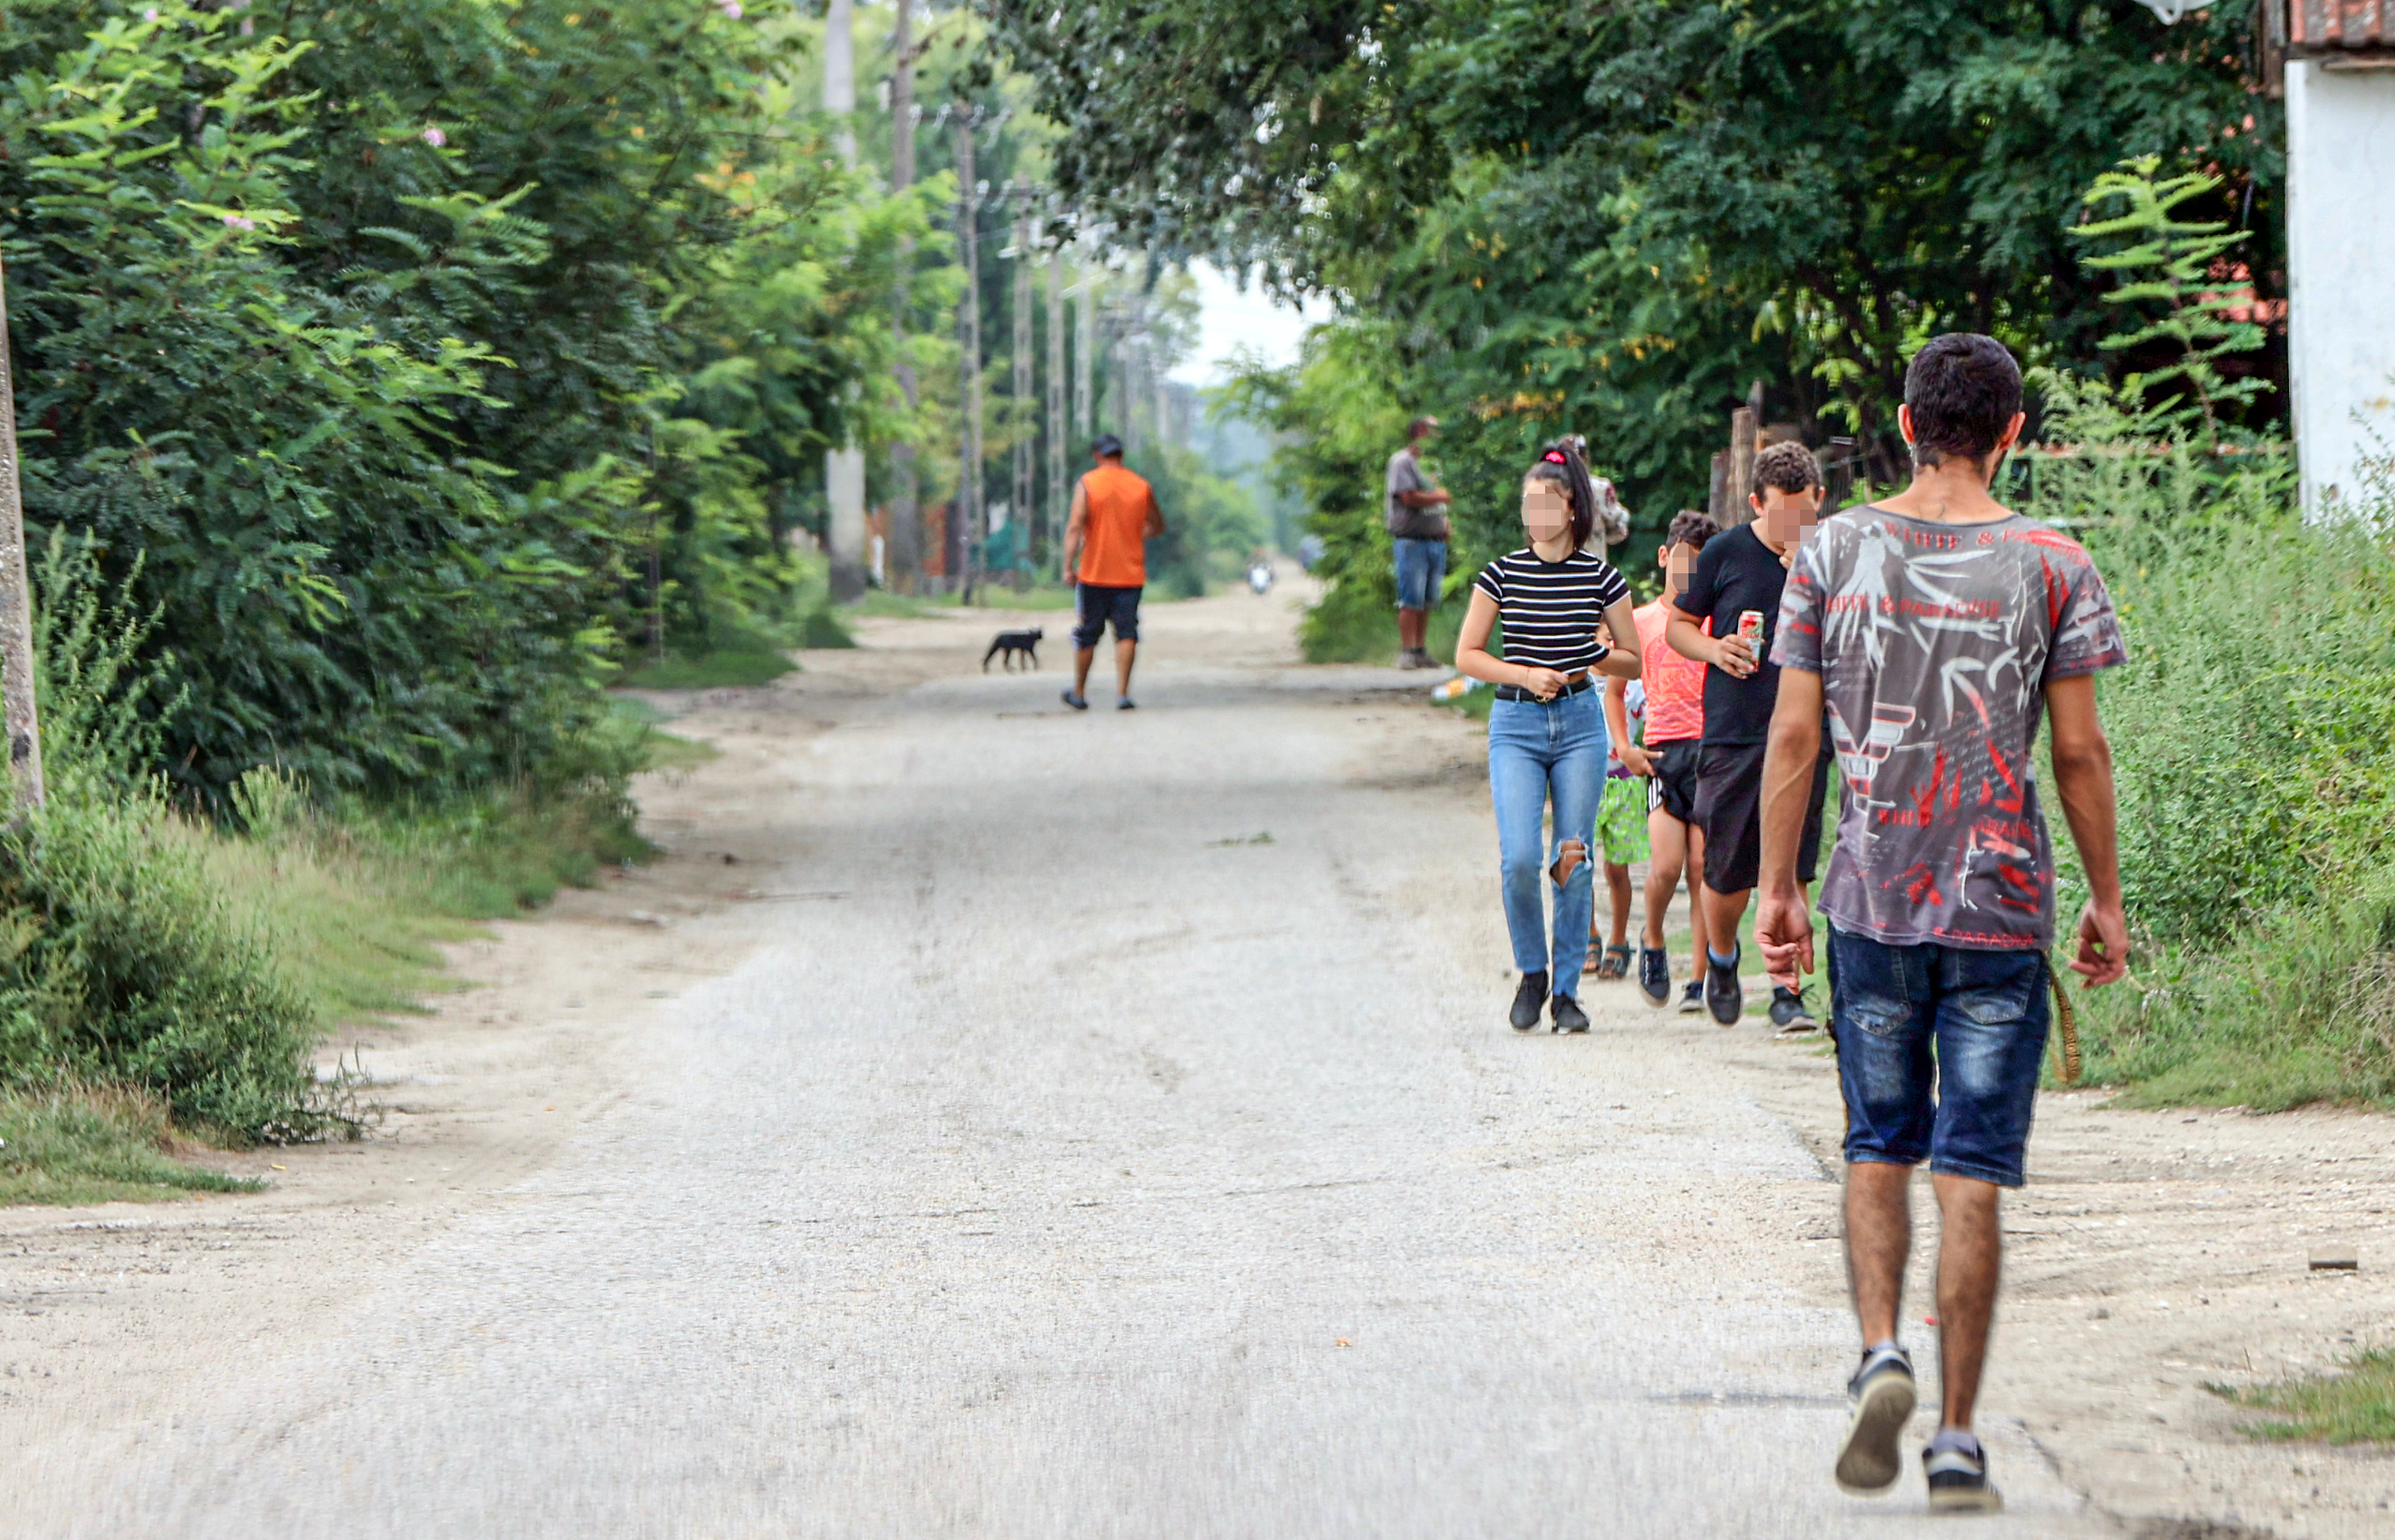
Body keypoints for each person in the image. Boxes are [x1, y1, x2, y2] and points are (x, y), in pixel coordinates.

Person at [1753, 333, 2129, 1513]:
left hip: (1869, 894)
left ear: (1906, 426)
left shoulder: (1830, 552)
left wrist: (1776, 887)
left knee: (1878, 1142)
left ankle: (1879, 1352)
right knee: (1971, 1167)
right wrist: (2108, 900)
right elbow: (2077, 750)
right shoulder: (2053, 564)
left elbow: (1796, 740)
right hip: (2000, 905)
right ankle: (1958, 1439)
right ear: (2012, 430)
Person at [1453, 443, 1642, 1034]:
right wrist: (1524, 674)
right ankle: (1530, 973)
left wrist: (1599, 657)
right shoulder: (1501, 573)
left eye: (1547, 501)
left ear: (1572, 509)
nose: (1535, 512)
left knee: (1572, 858)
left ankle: (1566, 993)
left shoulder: (1603, 577)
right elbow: (1468, 654)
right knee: (1518, 859)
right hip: (1516, 724)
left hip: (1580, 723)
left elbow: (1632, 661)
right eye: (1527, 502)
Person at [1667, 439, 1834, 1031]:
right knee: (1726, 865)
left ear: (1819, 499)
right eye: (1779, 511)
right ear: (1755, 502)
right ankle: (1722, 957)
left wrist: (1808, 572)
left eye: (1803, 510)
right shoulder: (1722, 553)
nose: (1792, 523)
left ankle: (1788, 990)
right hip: (1735, 731)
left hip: (1810, 733)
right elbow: (1678, 627)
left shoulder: (1834, 555)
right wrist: (1714, 648)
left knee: (1793, 865)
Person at [1625, 511, 1717, 1014]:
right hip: (1661, 754)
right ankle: (1654, 936)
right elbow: (1614, 690)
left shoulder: (1714, 623)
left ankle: (1699, 979)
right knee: (1665, 865)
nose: (1690, 575)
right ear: (1664, 557)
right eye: (1684, 562)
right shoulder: (1640, 622)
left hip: (1708, 753)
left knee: (1702, 868)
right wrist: (1625, 745)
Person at [1060, 434, 1165, 712]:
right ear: (1121, 455)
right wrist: (1135, 535)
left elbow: (1074, 526)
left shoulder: (1088, 483)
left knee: (1088, 632)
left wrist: (1068, 566)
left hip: (1094, 573)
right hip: (1130, 574)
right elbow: (1157, 525)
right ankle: (1122, 694)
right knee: (1127, 632)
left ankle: (1079, 692)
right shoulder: (1141, 486)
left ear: (1097, 455)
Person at [1590, 633, 1647, 981]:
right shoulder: (1575, 680)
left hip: (1624, 784)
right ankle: (1588, 935)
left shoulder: (1636, 686)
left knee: (1616, 869)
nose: (1612, 646)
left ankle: (1618, 938)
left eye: (1619, 639)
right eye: (1606, 638)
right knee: (1576, 862)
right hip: (1584, 782)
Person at [1386, 415, 1453, 670]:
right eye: (1434, 430)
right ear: (1421, 431)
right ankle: (1405, 651)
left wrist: (1446, 521)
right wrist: (1441, 498)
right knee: (1410, 597)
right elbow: (1408, 497)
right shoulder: (1402, 462)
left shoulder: (1432, 464)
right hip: (1410, 540)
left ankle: (1420, 649)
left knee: (1428, 598)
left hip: (1434, 538)